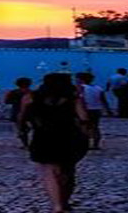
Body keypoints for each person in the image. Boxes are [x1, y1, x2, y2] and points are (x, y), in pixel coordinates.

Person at [24, 73, 91, 213]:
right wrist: (86, 135)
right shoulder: (73, 98)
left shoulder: (31, 97)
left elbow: (22, 116)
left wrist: (21, 131)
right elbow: (84, 118)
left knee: (49, 172)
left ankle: (56, 205)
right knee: (68, 171)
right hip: (69, 136)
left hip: (43, 137)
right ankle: (65, 201)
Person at [75, 72, 106, 150]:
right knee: (95, 127)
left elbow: (79, 99)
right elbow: (103, 100)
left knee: (83, 127)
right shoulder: (98, 88)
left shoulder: (80, 87)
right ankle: (96, 144)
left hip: (85, 109)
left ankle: (85, 143)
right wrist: (107, 109)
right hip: (96, 109)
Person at [5, 78, 34, 144]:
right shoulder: (32, 93)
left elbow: (7, 101)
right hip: (30, 112)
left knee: (21, 128)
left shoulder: (13, 92)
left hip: (17, 111)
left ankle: (25, 143)